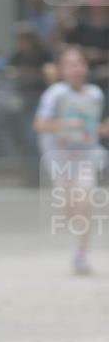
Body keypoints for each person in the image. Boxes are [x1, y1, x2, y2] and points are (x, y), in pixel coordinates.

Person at [34, 45, 108, 275]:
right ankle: (77, 235)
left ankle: (81, 254)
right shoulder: (55, 93)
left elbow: (95, 127)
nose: (75, 68)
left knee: (84, 199)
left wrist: (100, 129)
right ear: (61, 68)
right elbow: (40, 125)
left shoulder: (95, 94)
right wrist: (65, 125)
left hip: (87, 154)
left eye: (79, 63)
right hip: (59, 157)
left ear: (86, 67)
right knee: (70, 207)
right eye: (70, 64)